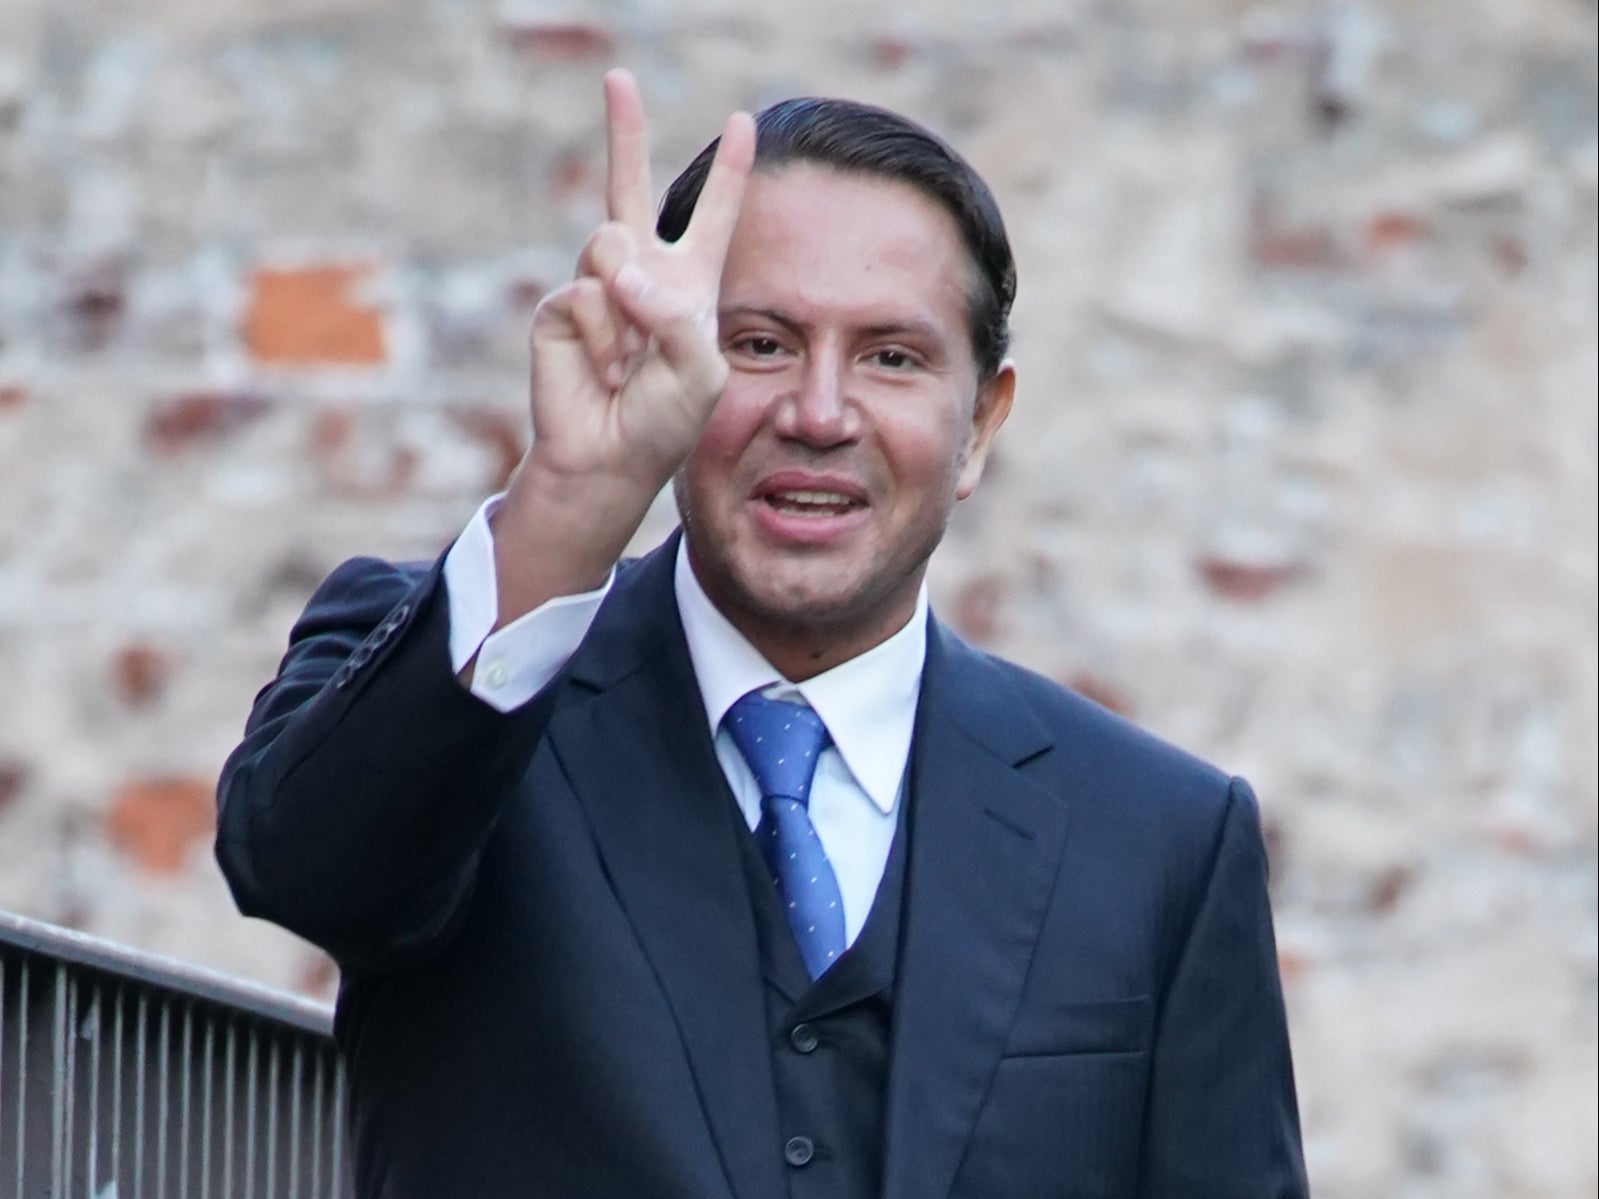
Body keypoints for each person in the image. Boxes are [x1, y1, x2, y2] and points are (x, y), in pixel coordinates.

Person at [217, 70, 1308, 1199]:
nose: (820, 414)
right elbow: (305, 870)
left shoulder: (1159, 839)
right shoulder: (463, 678)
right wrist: (572, 501)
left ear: (980, 425)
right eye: (760, 343)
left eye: (892, 355)